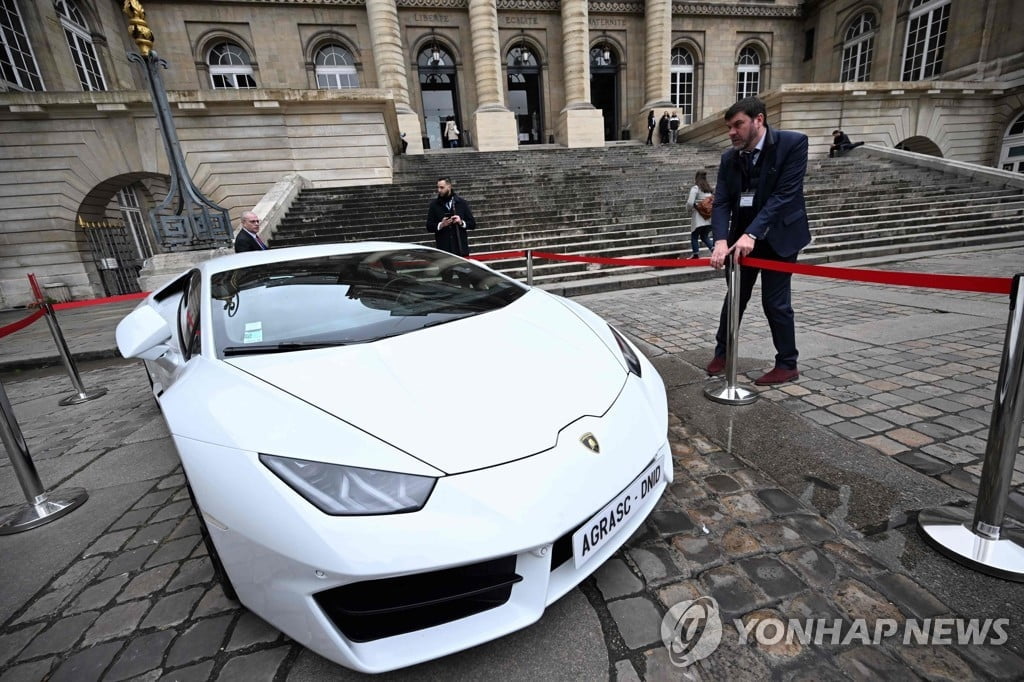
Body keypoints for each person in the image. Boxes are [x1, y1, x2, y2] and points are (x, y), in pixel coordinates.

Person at [705, 96, 811, 386]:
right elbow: (722, 202)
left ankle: (787, 363)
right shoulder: (730, 158)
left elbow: (784, 196)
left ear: (759, 120)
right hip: (740, 240)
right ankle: (723, 353)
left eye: (737, 125)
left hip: (780, 236)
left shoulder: (793, 144)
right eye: (729, 127)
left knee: (775, 303)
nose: (731, 132)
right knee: (735, 298)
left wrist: (753, 233)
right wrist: (720, 241)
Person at [425, 177, 476, 256]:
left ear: (449, 186)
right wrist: (441, 225)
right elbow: (429, 226)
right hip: (443, 251)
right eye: (438, 187)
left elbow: (472, 224)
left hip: (460, 249)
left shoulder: (461, 203)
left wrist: (461, 222)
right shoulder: (434, 205)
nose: (439, 190)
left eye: (442, 187)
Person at [685, 170, 714, 259]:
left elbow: (690, 203)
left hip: (699, 217)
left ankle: (696, 254)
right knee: (704, 236)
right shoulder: (709, 189)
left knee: (694, 235)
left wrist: (688, 209)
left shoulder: (696, 188)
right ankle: (714, 249)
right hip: (709, 217)